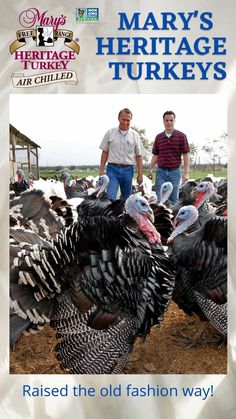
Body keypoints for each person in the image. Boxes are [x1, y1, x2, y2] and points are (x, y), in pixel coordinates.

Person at [99, 108, 143, 201]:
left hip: (128, 170)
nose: (125, 122)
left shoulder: (135, 135)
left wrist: (140, 174)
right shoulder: (110, 133)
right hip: (112, 169)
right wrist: (101, 170)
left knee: (126, 198)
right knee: (110, 196)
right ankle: (111, 215)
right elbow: (105, 152)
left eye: (128, 120)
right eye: (123, 119)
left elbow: (139, 156)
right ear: (118, 118)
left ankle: (122, 215)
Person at [147, 111, 190, 205]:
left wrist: (186, 173)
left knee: (173, 199)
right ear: (163, 121)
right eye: (167, 120)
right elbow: (155, 155)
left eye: (171, 120)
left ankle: (172, 218)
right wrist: (150, 169)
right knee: (160, 199)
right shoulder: (159, 137)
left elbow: (186, 155)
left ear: (174, 121)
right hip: (161, 172)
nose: (169, 122)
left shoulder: (181, 136)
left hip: (175, 172)